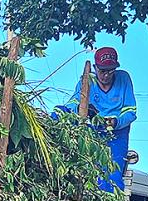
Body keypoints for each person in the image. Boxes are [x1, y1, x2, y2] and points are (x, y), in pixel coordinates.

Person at [53, 47, 137, 192]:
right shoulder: (87, 81)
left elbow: (131, 111)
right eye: (102, 71)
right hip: (91, 129)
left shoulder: (123, 78)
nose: (106, 75)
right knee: (59, 112)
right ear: (95, 68)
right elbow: (72, 103)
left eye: (110, 71)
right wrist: (81, 108)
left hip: (116, 134)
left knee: (111, 174)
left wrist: (116, 122)